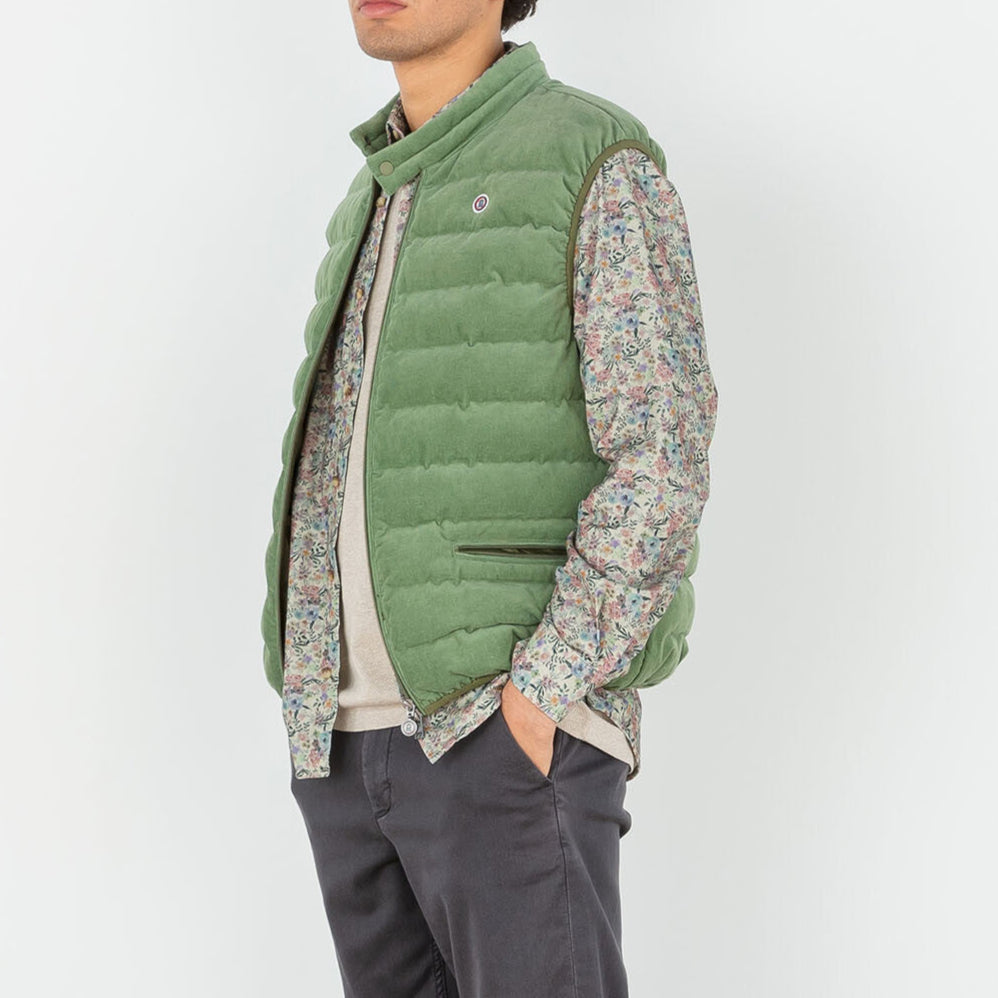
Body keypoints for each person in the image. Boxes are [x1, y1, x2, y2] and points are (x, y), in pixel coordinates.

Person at [260, 1, 719, 994]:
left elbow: (662, 450)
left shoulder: (591, 157)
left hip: (493, 731)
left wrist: (540, 691)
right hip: (344, 744)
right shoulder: (370, 191)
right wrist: (308, 693)